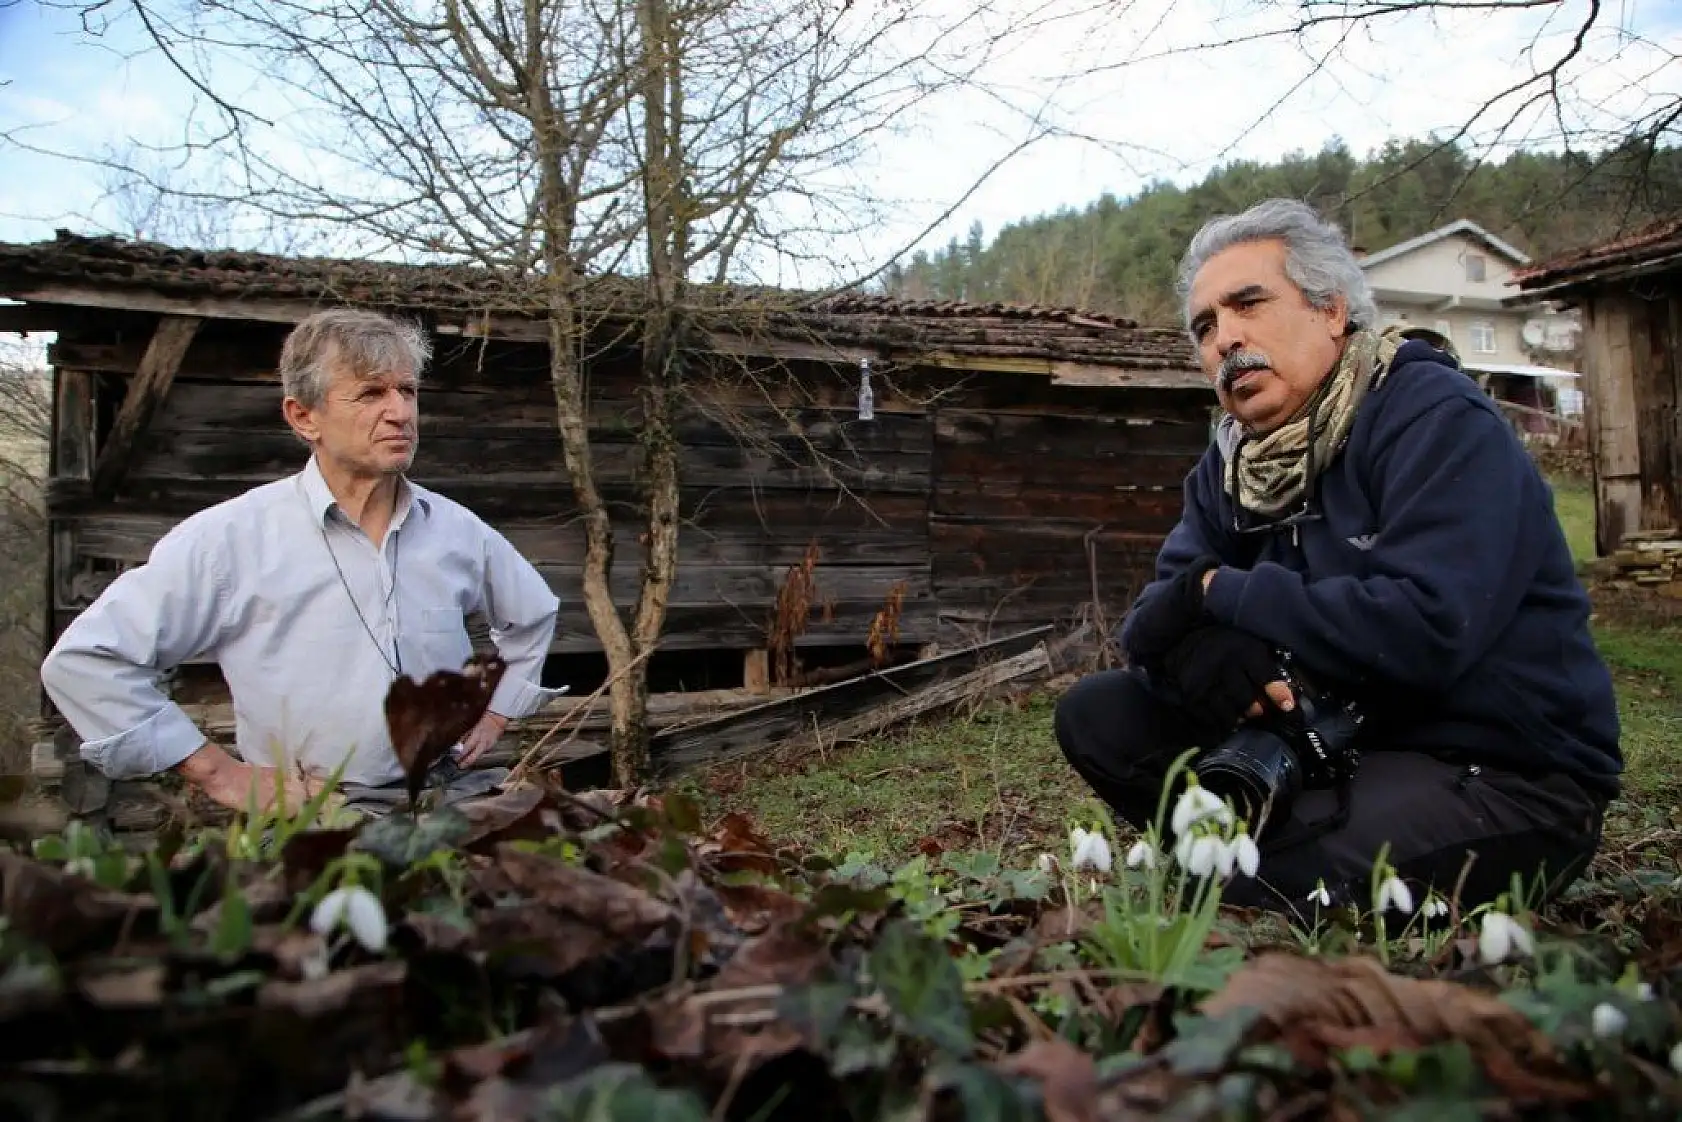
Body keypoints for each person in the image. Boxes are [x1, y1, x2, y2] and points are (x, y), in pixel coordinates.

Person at [1054, 198, 1621, 916]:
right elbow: (1152, 624)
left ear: (1331, 311)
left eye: (1248, 304)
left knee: (1238, 881)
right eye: (1204, 326)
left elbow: (1425, 628)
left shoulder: (1433, 418)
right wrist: (1206, 659)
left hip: (1500, 770)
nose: (1225, 339)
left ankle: (1272, 857)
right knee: (1099, 715)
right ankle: (1282, 837)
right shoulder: (1231, 464)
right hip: (1333, 743)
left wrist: (1222, 598)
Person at [41, 308, 563, 813]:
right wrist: (219, 773)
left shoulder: (457, 530)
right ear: (304, 416)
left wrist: (498, 712)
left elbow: (533, 615)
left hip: (454, 802)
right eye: (371, 393)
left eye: (407, 390)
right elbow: (87, 662)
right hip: (313, 819)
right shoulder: (230, 539)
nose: (401, 412)